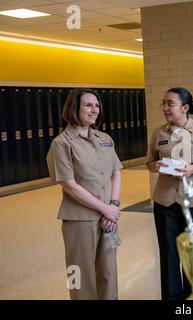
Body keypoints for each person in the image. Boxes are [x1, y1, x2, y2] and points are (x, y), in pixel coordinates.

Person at [46, 88, 122, 300]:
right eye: (88, 105)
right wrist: (105, 209)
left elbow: (116, 173)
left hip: (108, 217)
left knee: (108, 272)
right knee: (79, 273)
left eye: (97, 105)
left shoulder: (104, 138)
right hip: (80, 220)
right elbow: (68, 184)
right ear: (74, 108)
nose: (94, 110)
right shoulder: (62, 143)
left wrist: (113, 206)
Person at [146, 87, 193, 300]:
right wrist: (155, 165)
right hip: (165, 200)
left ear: (185, 108)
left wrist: (191, 169)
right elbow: (149, 162)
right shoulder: (159, 133)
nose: (166, 108)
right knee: (168, 255)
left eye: (170, 103)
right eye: (164, 103)